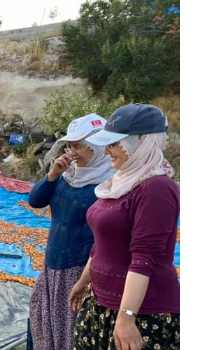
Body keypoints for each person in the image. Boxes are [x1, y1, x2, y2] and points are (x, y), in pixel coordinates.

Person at [68, 103, 180, 350]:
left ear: (142, 142)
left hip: (141, 313)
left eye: (115, 143)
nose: (106, 150)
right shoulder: (119, 181)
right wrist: (84, 281)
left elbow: (144, 257)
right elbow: (103, 243)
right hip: (100, 302)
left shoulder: (156, 188)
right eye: (106, 143)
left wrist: (127, 317)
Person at [26, 113, 114, 350]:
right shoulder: (68, 175)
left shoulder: (109, 183)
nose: (73, 152)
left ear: (97, 146)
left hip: (81, 267)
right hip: (53, 262)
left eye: (79, 146)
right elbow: (35, 201)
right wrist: (52, 175)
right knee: (42, 318)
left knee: (72, 325)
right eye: (70, 146)